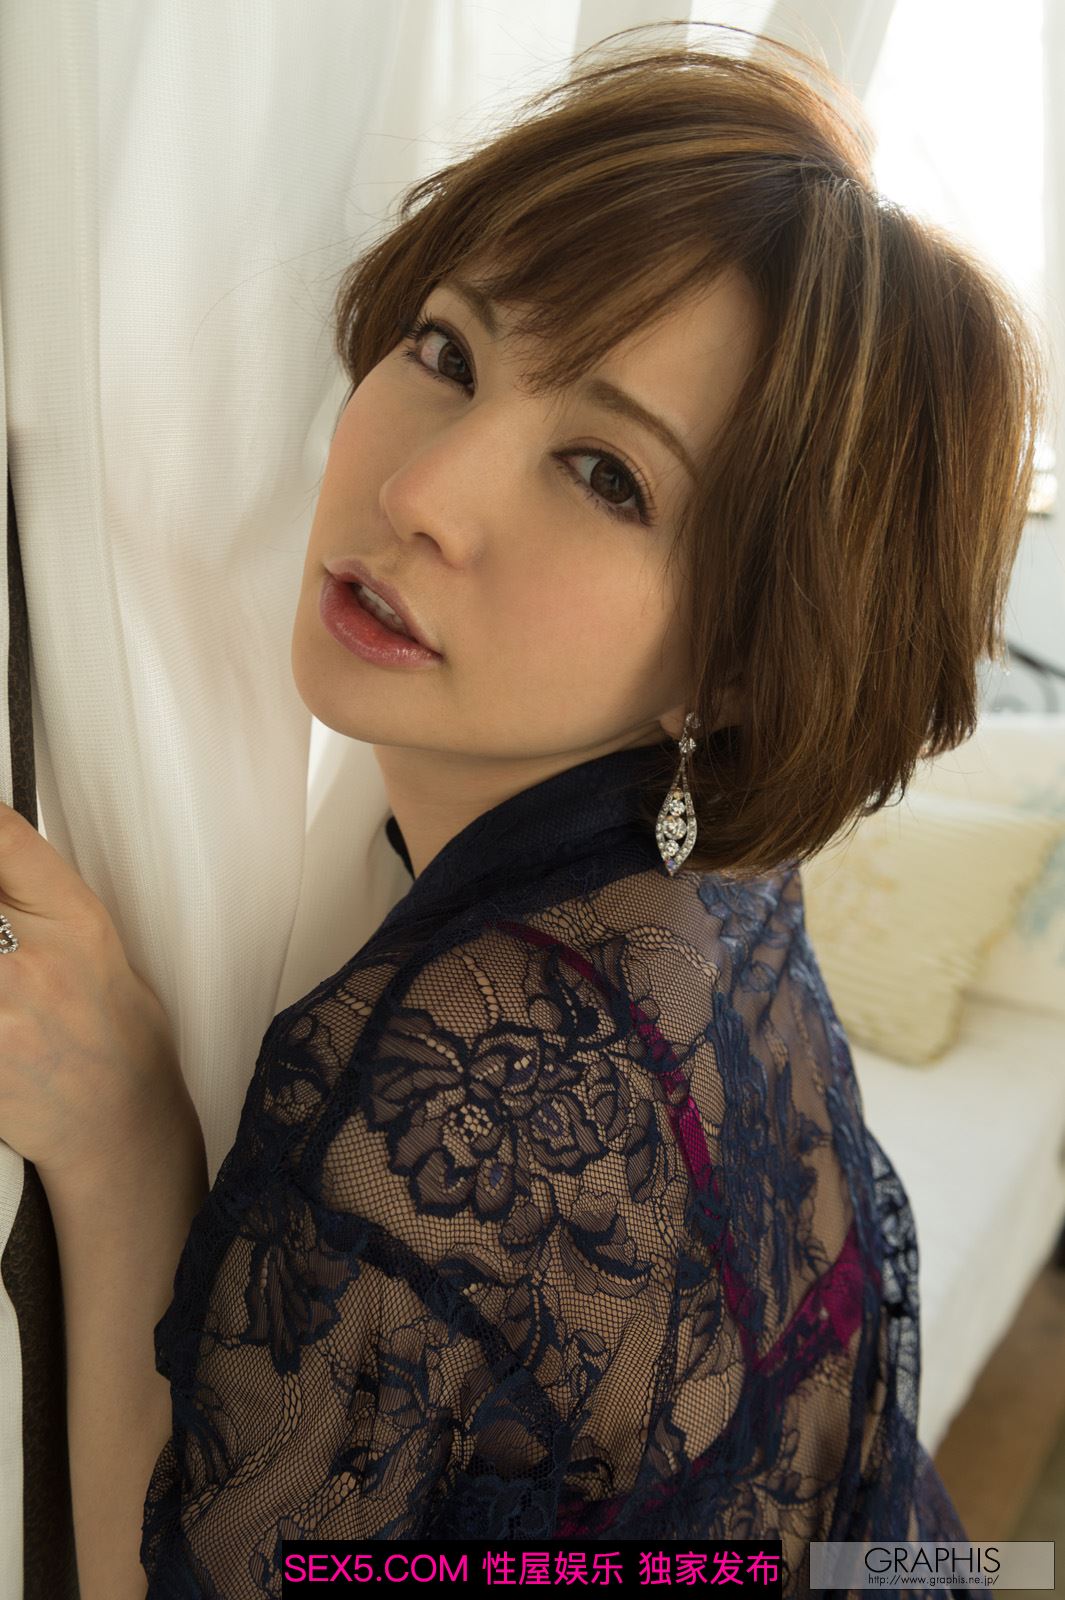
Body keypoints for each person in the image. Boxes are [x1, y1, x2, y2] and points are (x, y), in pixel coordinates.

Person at [3, 20, 1045, 1600]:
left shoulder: (473, 1074)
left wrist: (122, 1134)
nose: (420, 491)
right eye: (446, 351)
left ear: (745, 653)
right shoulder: (722, 902)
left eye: (606, 475)